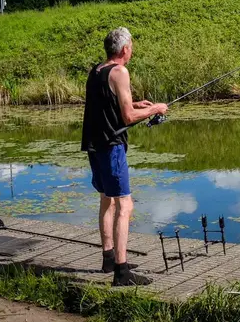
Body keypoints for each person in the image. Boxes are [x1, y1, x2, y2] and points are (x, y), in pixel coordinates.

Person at [81, 26, 168, 286]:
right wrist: (156, 108)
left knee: (107, 200)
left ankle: (108, 258)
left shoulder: (97, 70)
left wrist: (139, 104)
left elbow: (115, 107)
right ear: (125, 49)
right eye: (131, 47)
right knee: (125, 206)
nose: (132, 51)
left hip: (94, 145)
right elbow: (128, 118)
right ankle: (121, 271)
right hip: (111, 146)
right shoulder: (120, 72)